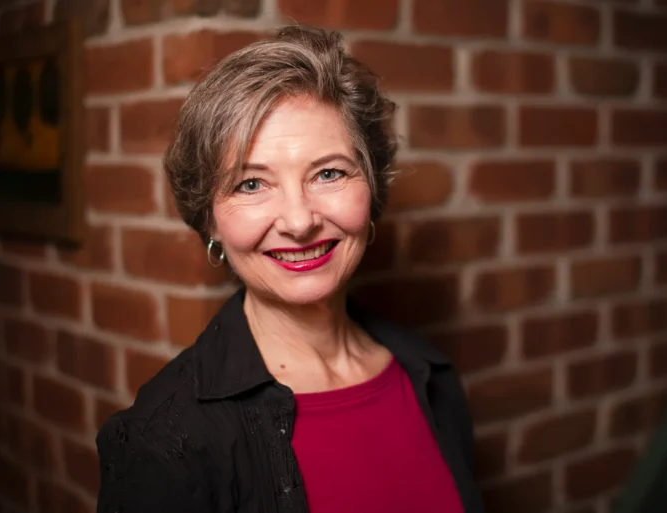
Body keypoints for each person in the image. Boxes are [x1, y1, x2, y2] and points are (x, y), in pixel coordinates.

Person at [96, 25, 484, 513]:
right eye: (252, 184)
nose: (300, 222)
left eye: (329, 173)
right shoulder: (165, 442)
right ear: (209, 218)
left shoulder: (429, 375)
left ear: (372, 191)